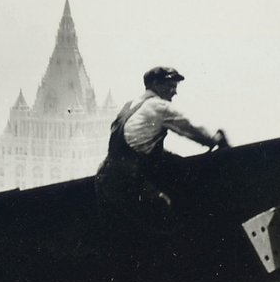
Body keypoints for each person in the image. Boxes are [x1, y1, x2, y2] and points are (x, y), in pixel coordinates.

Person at [94, 66, 229, 242]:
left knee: (121, 235)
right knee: (167, 225)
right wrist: (215, 138)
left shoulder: (131, 105)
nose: (174, 92)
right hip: (128, 180)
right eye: (171, 86)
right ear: (156, 85)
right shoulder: (158, 106)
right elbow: (190, 128)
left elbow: (139, 145)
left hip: (105, 178)